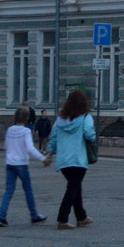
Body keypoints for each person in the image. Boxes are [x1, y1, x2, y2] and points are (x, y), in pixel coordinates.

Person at [48, 89, 97, 230]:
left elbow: (54, 138)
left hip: (63, 160)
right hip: (78, 159)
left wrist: (50, 154)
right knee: (73, 188)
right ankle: (62, 219)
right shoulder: (85, 117)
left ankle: (81, 217)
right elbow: (89, 135)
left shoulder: (60, 120)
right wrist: (94, 136)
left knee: (75, 187)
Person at [0, 107, 50, 227]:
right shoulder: (26, 131)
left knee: (9, 190)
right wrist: (43, 158)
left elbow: (6, 145)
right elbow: (30, 148)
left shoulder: (10, 130)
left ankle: (2, 216)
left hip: (10, 163)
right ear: (27, 118)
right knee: (28, 189)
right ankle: (34, 215)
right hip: (21, 163)